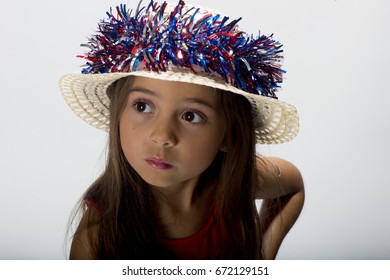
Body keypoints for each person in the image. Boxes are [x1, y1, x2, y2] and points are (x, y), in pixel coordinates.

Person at [59, 0, 304, 259]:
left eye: (191, 116)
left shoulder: (235, 182)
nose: (162, 136)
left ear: (228, 134)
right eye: (142, 106)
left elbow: (293, 186)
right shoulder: (98, 237)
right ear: (118, 112)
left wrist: (261, 258)